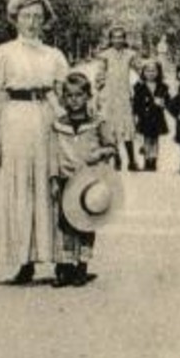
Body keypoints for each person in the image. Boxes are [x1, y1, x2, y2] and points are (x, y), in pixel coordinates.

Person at [0, 0, 68, 285]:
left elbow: (67, 93)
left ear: (45, 20)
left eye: (37, 17)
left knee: (49, 184)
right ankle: (24, 259)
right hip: (14, 121)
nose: (31, 22)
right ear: (15, 19)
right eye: (26, 16)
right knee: (18, 186)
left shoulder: (54, 56)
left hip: (47, 121)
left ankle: (60, 258)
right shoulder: (1, 54)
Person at [47, 71, 118, 287]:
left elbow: (111, 146)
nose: (74, 100)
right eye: (69, 96)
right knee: (65, 222)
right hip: (66, 178)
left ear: (88, 96)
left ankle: (82, 266)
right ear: (63, 98)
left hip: (89, 181)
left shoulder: (97, 122)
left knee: (86, 222)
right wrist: (52, 178)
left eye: (79, 95)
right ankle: (64, 267)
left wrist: (99, 155)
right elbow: (52, 153)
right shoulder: (58, 124)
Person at [96, 26, 140, 171]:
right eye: (115, 37)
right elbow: (100, 75)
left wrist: (142, 83)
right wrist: (99, 91)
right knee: (112, 128)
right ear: (110, 39)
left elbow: (139, 69)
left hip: (124, 94)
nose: (118, 40)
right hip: (110, 95)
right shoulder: (105, 55)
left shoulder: (129, 55)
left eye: (121, 37)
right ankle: (117, 159)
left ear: (124, 38)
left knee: (127, 126)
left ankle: (132, 160)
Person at [131, 58, 171, 172]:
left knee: (155, 139)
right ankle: (147, 160)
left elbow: (168, 101)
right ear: (143, 72)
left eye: (153, 71)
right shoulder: (139, 86)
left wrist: (163, 103)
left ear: (158, 72)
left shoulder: (163, 87)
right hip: (145, 117)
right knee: (147, 139)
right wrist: (135, 114)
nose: (150, 73)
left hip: (157, 117)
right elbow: (136, 102)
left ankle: (154, 160)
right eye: (147, 71)